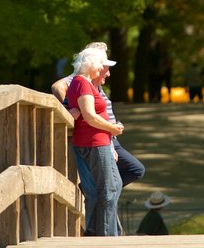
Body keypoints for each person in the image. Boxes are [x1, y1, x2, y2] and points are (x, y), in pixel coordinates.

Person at [51, 43, 146, 188]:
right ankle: (92, 188)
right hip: (100, 138)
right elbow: (57, 86)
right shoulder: (81, 80)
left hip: (107, 136)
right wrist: (69, 110)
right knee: (127, 176)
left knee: (119, 181)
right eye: (103, 64)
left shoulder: (93, 83)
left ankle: (94, 189)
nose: (106, 71)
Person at [64, 45, 125, 236]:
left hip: (98, 141)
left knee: (113, 186)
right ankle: (105, 236)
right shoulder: (82, 83)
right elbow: (90, 116)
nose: (102, 69)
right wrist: (112, 128)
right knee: (108, 189)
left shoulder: (83, 83)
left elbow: (84, 112)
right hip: (94, 142)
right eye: (100, 64)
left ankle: (98, 231)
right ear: (90, 64)